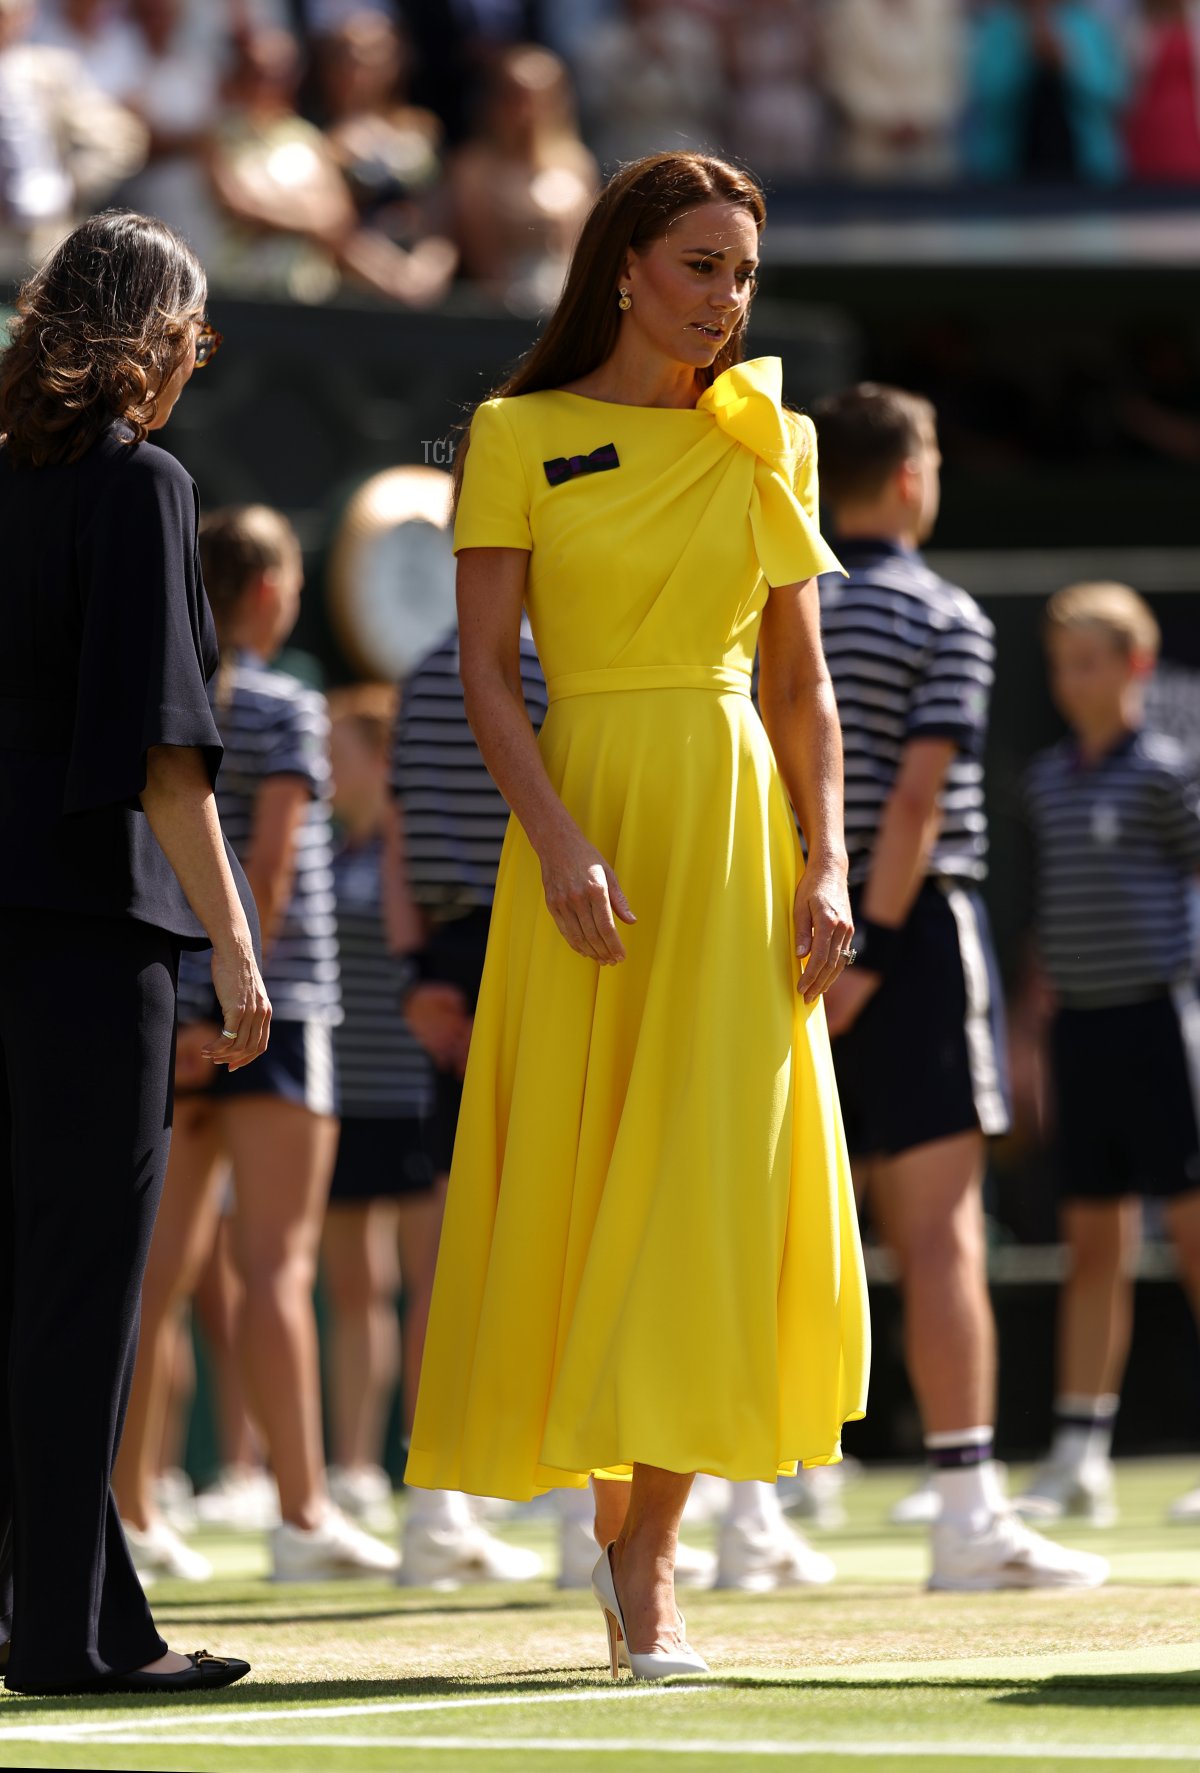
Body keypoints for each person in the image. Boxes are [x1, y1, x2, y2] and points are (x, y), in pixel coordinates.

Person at [404, 150, 870, 1678]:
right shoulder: (515, 431)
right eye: (699, 267)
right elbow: (485, 674)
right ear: (622, 267)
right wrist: (550, 842)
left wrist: (829, 861)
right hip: (584, 832)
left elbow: (801, 683)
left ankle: (647, 1552)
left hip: (739, 834)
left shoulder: (772, 437)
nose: (725, 301)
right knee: (596, 1170)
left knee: (706, 1188)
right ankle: (620, 1526)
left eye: (742, 273)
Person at [0, 209, 268, 1694]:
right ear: (157, 334)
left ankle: (68, 1615)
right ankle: (67, 1633)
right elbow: (172, 766)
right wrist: (238, 955)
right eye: (196, 330)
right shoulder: (143, 488)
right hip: (93, 936)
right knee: (81, 1289)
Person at [813, 383, 1106, 1591]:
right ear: (914, 478)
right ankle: (965, 1517)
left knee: (775, 1230)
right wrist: (874, 954)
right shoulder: (945, 613)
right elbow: (920, 804)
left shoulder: (775, 606)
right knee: (941, 1238)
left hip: (786, 927)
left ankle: (745, 1510)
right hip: (911, 942)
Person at [113, 504, 397, 1583]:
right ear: (272, 593)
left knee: (159, 1277)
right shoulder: (284, 707)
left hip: (177, 1012)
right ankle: (301, 1516)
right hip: (275, 1014)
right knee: (280, 1269)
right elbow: (269, 865)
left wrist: (194, 1000)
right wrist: (244, 987)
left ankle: (135, 1517)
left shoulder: (165, 699)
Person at [1014, 583, 1200, 1527]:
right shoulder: (1045, 780)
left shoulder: (1168, 775)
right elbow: (1051, 924)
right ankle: (1079, 1453)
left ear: (1132, 667)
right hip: (1081, 1034)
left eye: (1088, 661)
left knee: (1196, 1234)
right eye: (1058, 664)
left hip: (1163, 1026)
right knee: (1094, 1244)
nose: (1070, 680)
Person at [389, 620, 549, 1588]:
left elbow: (404, 829)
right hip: (547, 935)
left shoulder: (420, 670)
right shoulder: (558, 656)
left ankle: (432, 1506)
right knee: (565, 1221)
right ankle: (585, 1514)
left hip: (449, 952)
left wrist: (417, 975)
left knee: (456, 1243)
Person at [319, 684, 438, 1529]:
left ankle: (428, 1465)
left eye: (340, 752)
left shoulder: (414, 846)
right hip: (345, 1095)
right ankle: (354, 1466)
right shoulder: (329, 850)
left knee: (430, 1285)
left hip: (413, 1091)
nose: (326, 767)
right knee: (354, 1285)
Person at [965, 0, 1128, 183]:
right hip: (1009, 170)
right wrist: (1027, 54)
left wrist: (1066, 63)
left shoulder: (1089, 25)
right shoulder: (999, 28)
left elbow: (1112, 95)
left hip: (1084, 169)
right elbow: (991, 98)